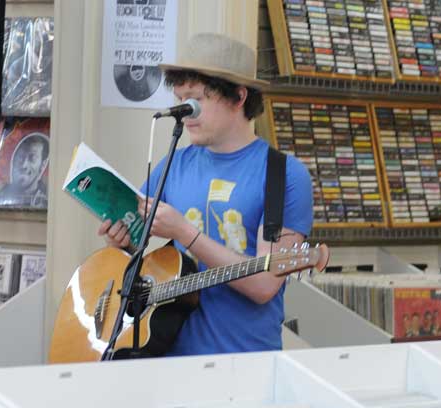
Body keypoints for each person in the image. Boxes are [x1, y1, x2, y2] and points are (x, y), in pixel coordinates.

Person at [98, 33, 314, 356]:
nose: (185, 113)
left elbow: (265, 284)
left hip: (244, 362)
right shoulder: (175, 162)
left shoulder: (283, 175)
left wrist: (185, 232)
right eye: (180, 99)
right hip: (164, 356)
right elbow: (144, 249)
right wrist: (124, 244)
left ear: (239, 97)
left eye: (196, 101)